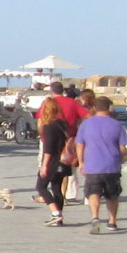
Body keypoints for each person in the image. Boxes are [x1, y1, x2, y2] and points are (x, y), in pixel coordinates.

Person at [74, 96, 127, 234]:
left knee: (93, 193)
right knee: (112, 195)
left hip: (92, 165)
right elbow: (123, 149)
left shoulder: (86, 124)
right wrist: (123, 159)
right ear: (109, 108)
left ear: (94, 107)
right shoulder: (117, 125)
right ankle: (112, 221)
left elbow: (80, 145)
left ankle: (95, 217)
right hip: (112, 165)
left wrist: (81, 162)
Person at [35, 97, 71, 227]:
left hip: (53, 161)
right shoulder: (63, 124)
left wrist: (44, 165)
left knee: (41, 187)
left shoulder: (49, 127)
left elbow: (48, 149)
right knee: (56, 188)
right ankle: (58, 218)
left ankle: (55, 213)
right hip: (64, 161)